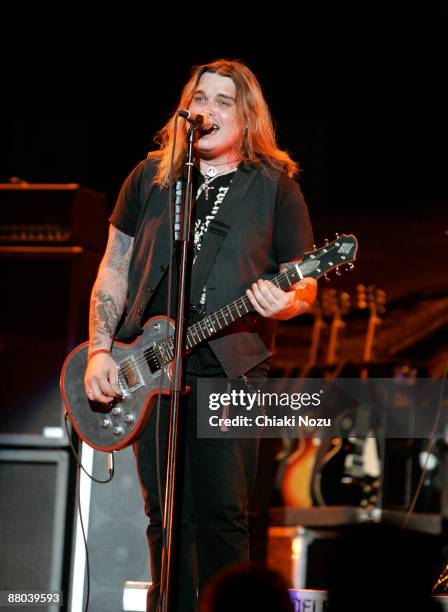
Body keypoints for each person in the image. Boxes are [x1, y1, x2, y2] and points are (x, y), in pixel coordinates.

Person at [84, 59, 317, 611]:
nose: (206, 110)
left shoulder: (274, 188)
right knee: (165, 515)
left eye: (222, 101)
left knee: (222, 515)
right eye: (199, 98)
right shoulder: (152, 178)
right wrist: (99, 348)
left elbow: (305, 286)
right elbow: (114, 265)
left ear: (246, 117)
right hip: (152, 364)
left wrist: (284, 303)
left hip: (234, 367)